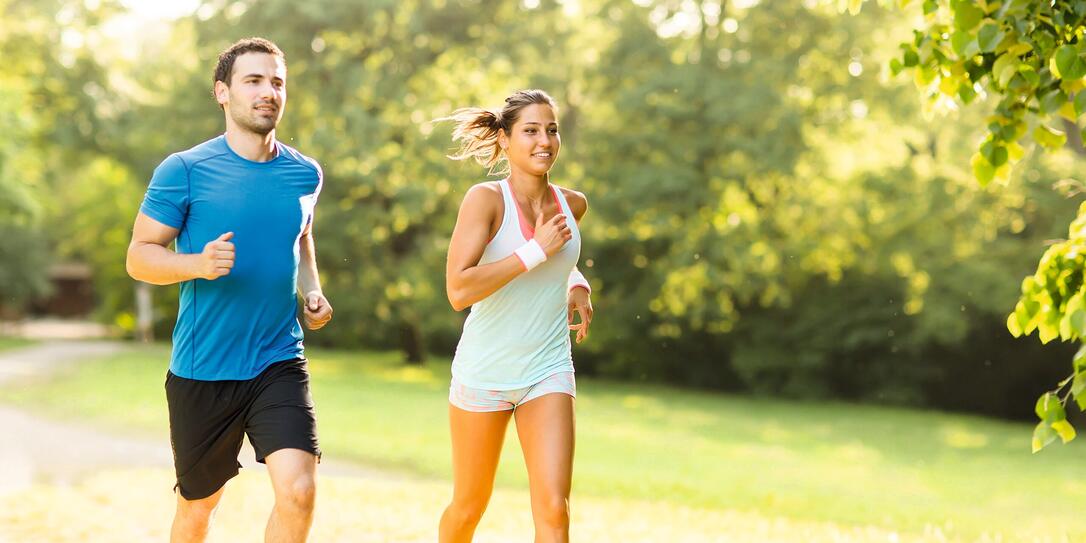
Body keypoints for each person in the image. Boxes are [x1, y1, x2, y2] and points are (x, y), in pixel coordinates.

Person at [125, 37, 332, 543]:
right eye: (254, 80)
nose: (269, 92)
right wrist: (197, 263)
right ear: (223, 92)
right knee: (198, 510)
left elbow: (301, 239)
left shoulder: (304, 173)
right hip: (204, 368)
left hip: (278, 359)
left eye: (277, 82)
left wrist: (312, 291)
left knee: (299, 492)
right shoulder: (185, 171)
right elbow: (139, 257)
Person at [438, 89, 594, 543]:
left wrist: (576, 281)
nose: (544, 140)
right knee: (468, 508)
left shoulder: (573, 204)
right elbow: (458, 289)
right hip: (485, 372)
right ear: (505, 140)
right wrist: (534, 252)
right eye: (530, 130)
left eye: (551, 129)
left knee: (553, 510)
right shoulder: (485, 200)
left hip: (547, 369)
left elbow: (558, 261)